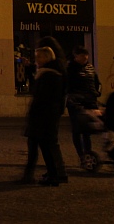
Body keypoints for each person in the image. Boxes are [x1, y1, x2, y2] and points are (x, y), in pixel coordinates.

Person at [20, 46, 68, 186]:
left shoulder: (49, 75)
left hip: (43, 116)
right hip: (46, 115)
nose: (37, 60)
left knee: (45, 146)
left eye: (39, 57)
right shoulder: (52, 73)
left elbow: (42, 97)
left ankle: (53, 176)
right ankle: (50, 174)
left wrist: (35, 113)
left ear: (46, 58)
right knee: (42, 145)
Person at [65, 46, 101, 164]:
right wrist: (72, 97)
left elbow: (97, 82)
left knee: (87, 130)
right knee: (77, 129)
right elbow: (67, 85)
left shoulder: (90, 67)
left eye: (86, 56)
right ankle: (82, 155)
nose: (85, 58)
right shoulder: (70, 69)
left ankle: (88, 154)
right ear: (76, 57)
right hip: (76, 103)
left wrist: (97, 92)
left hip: (90, 102)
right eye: (82, 56)